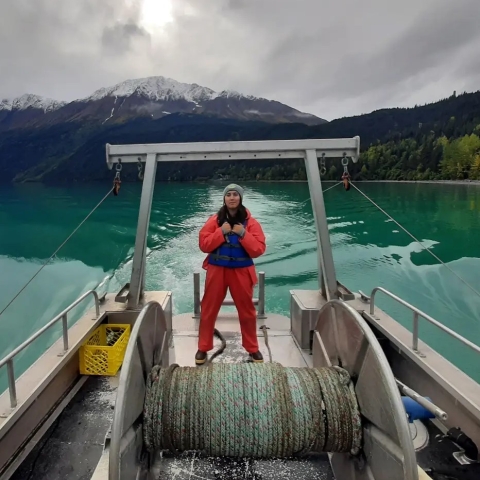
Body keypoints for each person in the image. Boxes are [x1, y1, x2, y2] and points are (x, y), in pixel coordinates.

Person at [196, 184, 267, 365]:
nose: (232, 197)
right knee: (208, 309)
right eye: (229, 194)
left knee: (247, 312)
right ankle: (203, 347)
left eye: (235, 194)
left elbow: (259, 249)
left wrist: (243, 233)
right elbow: (204, 244)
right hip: (216, 271)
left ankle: (252, 348)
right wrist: (221, 232)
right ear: (224, 198)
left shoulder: (251, 223)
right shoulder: (214, 221)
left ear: (240, 198)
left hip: (241, 271)